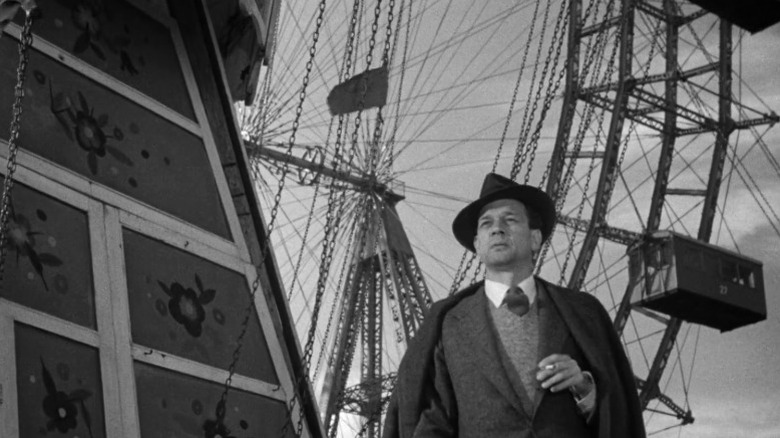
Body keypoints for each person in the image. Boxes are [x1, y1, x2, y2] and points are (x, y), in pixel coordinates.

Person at [383, 173, 646, 438]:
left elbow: (619, 414)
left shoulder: (583, 313)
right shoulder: (448, 323)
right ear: (477, 244)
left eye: (510, 219)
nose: (497, 228)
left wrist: (584, 387)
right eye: (486, 224)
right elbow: (434, 420)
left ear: (535, 239)